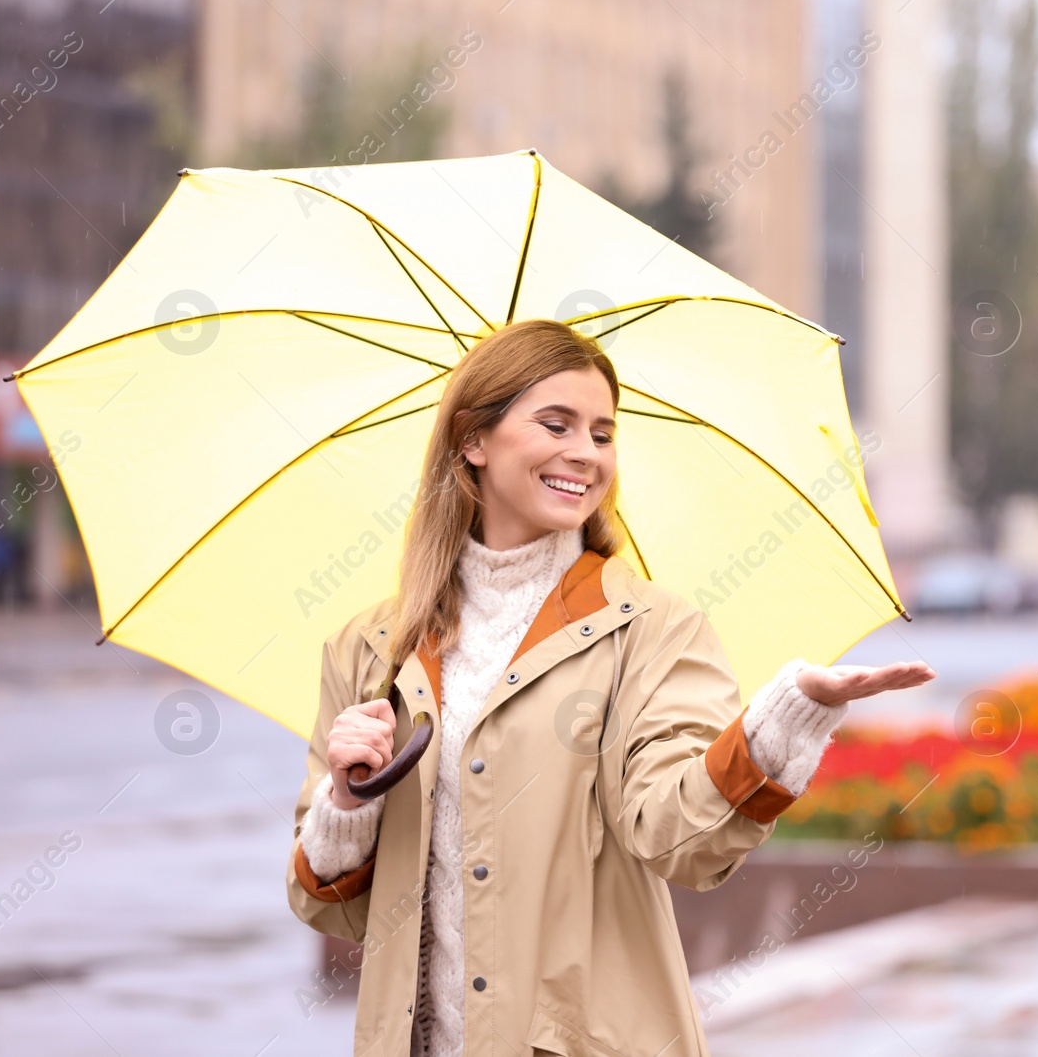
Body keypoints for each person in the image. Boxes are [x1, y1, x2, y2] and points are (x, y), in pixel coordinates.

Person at [285, 318, 933, 1057]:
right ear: (472, 439)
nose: (585, 454)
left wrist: (787, 715)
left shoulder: (656, 631)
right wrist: (345, 799)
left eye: (602, 432)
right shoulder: (372, 647)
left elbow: (681, 837)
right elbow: (326, 905)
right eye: (555, 423)